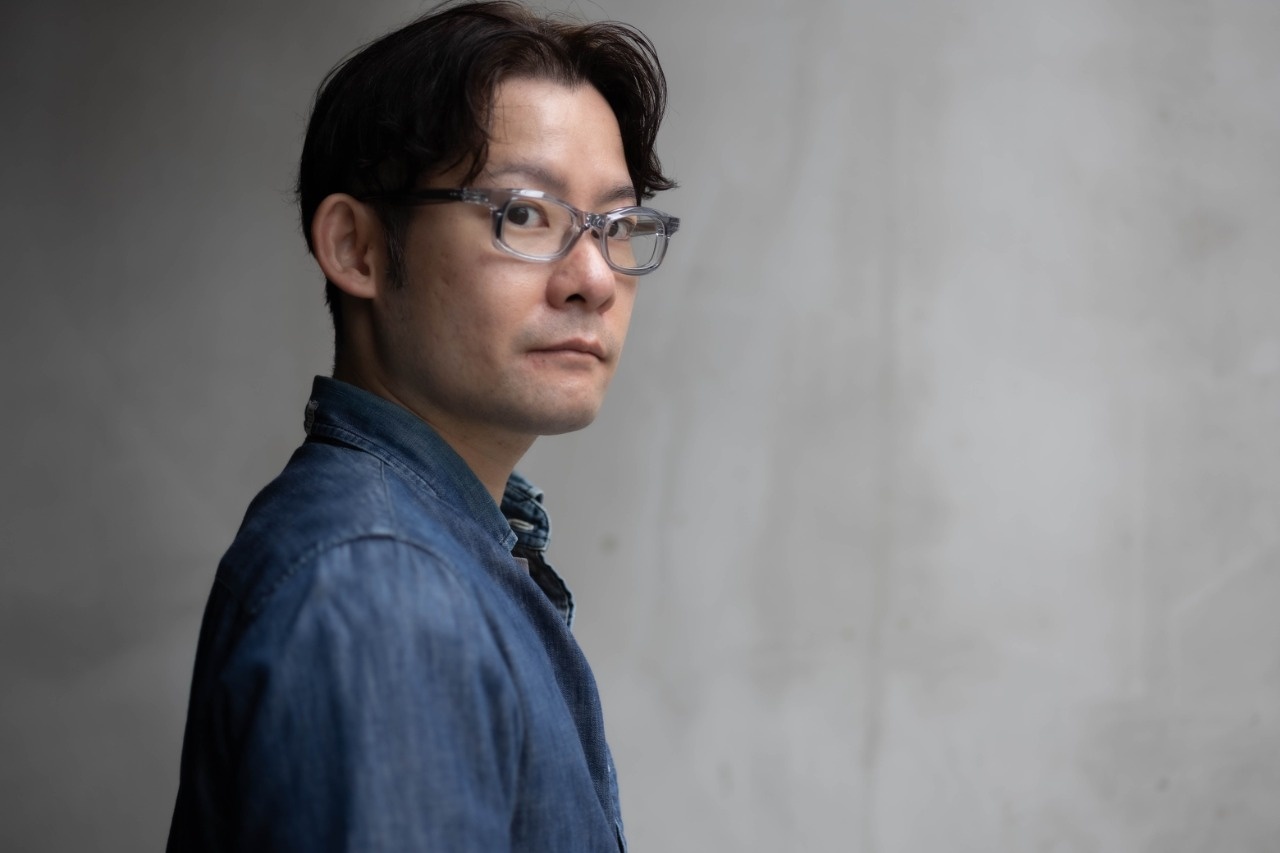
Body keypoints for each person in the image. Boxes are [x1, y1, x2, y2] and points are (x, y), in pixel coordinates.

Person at [165, 2, 678, 850]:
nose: (593, 277)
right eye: (525, 214)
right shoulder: (382, 586)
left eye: (616, 225)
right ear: (357, 248)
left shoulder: (431, 552)